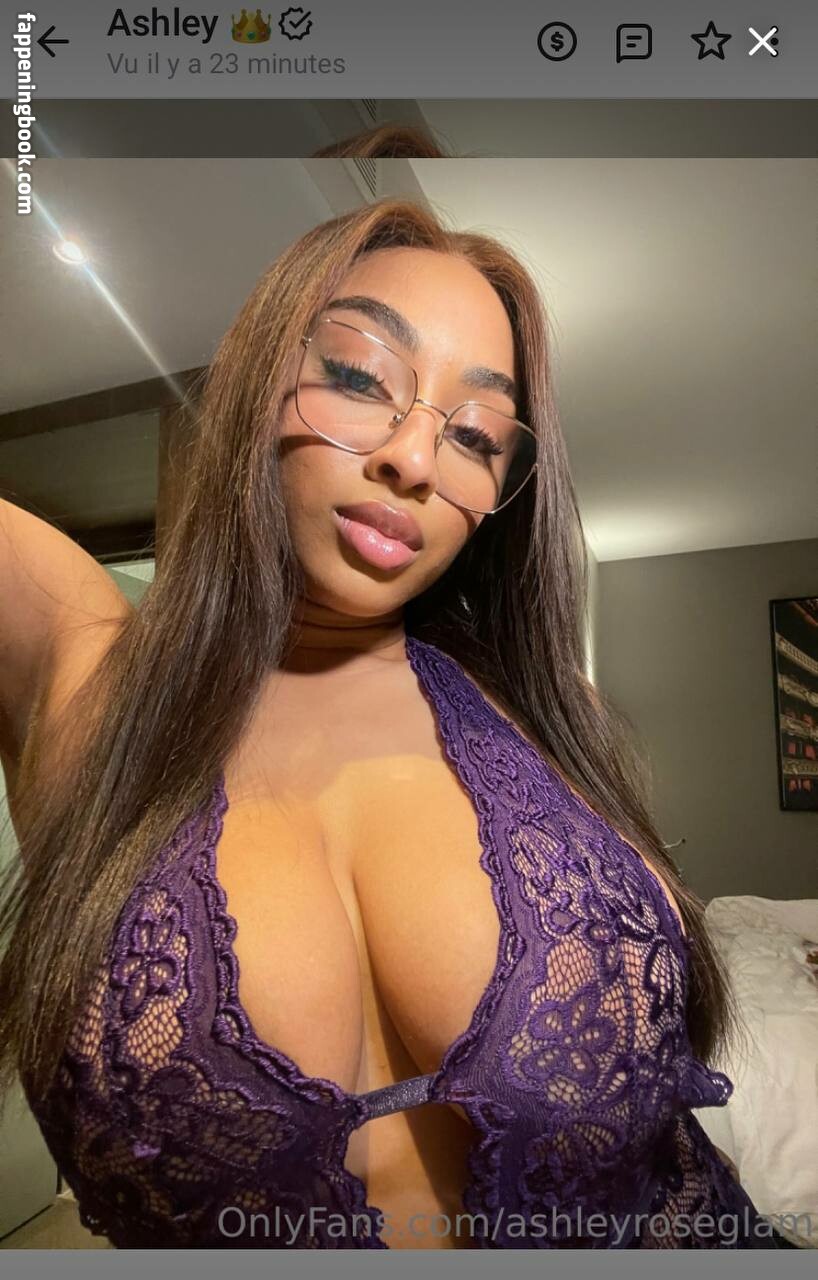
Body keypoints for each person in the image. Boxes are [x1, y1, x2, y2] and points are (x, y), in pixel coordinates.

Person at [0, 197, 781, 1249]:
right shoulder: (79, 663)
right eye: (362, 377)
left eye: (474, 434)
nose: (415, 459)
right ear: (255, 382)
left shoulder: (554, 722)